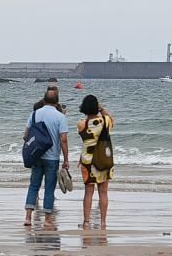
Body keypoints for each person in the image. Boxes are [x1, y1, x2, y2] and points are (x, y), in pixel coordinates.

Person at [23, 88, 69, 226]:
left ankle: (28, 218)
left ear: (44, 100)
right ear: (57, 102)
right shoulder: (60, 117)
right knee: (49, 187)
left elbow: (26, 135)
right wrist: (66, 159)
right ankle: (48, 220)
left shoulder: (34, 114)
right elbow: (64, 139)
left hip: (36, 155)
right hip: (52, 157)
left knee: (33, 186)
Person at [76, 94, 114, 229]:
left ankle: (86, 222)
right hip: (104, 160)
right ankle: (103, 222)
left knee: (88, 192)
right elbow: (112, 120)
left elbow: (85, 138)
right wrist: (102, 109)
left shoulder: (82, 124)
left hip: (87, 161)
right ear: (96, 107)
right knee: (103, 192)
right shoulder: (105, 121)